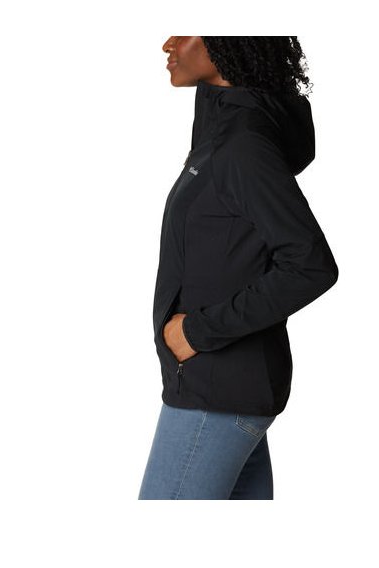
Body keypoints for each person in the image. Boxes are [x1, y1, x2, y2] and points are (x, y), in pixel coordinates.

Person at [138, 36, 339, 500]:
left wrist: (197, 332)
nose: (168, 43)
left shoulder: (242, 146)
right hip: (223, 390)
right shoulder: (222, 131)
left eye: (187, 27)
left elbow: (310, 265)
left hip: (216, 394)